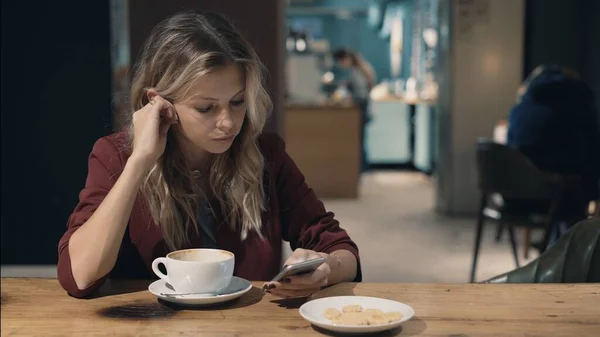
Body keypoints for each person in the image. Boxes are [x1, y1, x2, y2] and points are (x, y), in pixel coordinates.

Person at [57, 11, 360, 299]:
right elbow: (79, 277)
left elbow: (343, 251)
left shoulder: (264, 154)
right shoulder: (115, 155)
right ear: (160, 103)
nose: (228, 123)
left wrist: (324, 269)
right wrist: (139, 162)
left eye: (238, 102)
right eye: (206, 108)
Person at [506, 64, 600, 245]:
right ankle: (569, 252)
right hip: (554, 200)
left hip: (512, 200)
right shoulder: (579, 105)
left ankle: (554, 247)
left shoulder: (521, 107)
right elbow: (591, 155)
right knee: (571, 182)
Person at [332, 48, 376, 174]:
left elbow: (361, 94)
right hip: (364, 108)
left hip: (361, 109)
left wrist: (349, 97)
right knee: (361, 139)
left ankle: (362, 169)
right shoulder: (359, 70)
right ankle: (363, 168)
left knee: (359, 140)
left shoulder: (357, 72)